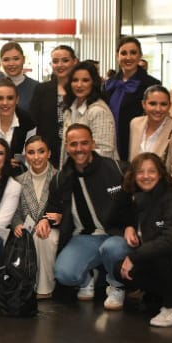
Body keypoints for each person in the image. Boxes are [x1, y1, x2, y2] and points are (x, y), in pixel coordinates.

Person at [41, 124, 127, 305]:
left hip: (116, 234)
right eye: (73, 144)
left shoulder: (116, 170)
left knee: (112, 249)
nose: (79, 149)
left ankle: (116, 285)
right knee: (64, 275)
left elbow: (137, 202)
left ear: (93, 144)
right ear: (67, 147)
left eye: (84, 143)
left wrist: (132, 227)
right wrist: (45, 220)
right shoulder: (61, 178)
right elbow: (52, 208)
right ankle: (86, 278)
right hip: (84, 237)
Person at [113, 152, 172, 328]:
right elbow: (117, 216)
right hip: (165, 260)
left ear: (160, 174)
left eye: (151, 171)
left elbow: (169, 241)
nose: (145, 176)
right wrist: (129, 227)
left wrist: (134, 257)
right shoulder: (139, 198)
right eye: (140, 172)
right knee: (120, 270)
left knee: (159, 252)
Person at [12, 134, 59, 298]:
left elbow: (67, 210)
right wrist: (16, 224)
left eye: (41, 151)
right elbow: (15, 212)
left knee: (44, 237)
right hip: (26, 232)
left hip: (53, 230)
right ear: (26, 155)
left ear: (49, 153)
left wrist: (53, 220)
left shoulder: (60, 177)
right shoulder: (18, 181)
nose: (36, 157)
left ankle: (44, 288)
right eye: (31, 152)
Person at [128, 85, 172, 190]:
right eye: (152, 104)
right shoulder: (135, 124)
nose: (158, 109)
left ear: (169, 106)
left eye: (163, 104)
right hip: (133, 193)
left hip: (163, 198)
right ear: (143, 104)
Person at [60, 60, 116, 161]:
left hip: (95, 174)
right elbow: (65, 149)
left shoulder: (98, 111)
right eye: (75, 80)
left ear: (93, 83)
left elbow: (104, 152)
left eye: (85, 80)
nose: (79, 85)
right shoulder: (69, 109)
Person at [104, 36, 160, 132]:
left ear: (140, 55)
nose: (128, 57)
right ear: (117, 56)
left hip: (138, 140)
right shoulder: (109, 84)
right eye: (123, 53)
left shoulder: (152, 85)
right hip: (109, 138)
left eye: (133, 53)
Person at [31, 44, 77, 150]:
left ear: (74, 62)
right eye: (55, 61)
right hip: (48, 150)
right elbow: (33, 121)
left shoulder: (80, 89)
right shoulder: (42, 90)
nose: (60, 65)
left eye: (65, 60)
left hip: (76, 149)